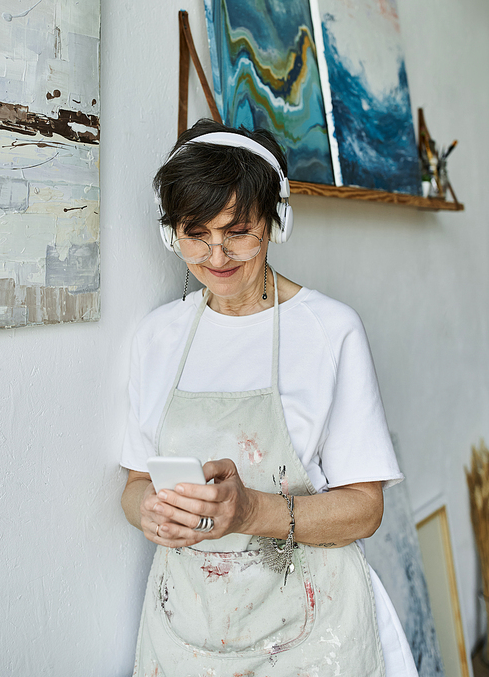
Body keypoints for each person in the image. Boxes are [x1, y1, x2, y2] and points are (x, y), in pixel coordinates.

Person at [120, 119, 419, 676]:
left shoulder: (331, 331)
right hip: (187, 630)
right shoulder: (156, 338)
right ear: (171, 234)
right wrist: (150, 516)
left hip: (314, 631)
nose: (216, 254)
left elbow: (365, 508)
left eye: (237, 230)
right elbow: (136, 482)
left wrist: (250, 510)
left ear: (275, 222)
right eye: (195, 232)